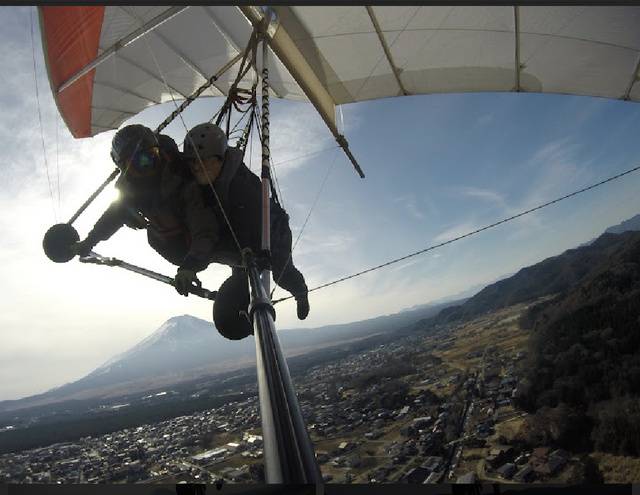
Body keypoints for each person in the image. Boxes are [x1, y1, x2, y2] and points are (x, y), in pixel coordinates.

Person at [183, 122, 310, 320]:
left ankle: (300, 292)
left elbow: (247, 223)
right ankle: (247, 315)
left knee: (280, 271)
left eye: (204, 160)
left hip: (271, 229)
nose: (197, 167)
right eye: (192, 162)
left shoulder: (241, 186)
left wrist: (248, 259)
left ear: (221, 159)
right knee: (243, 276)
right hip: (237, 231)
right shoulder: (204, 184)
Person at [73, 124, 218, 294]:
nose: (147, 166)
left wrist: (190, 266)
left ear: (160, 153)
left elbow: (204, 225)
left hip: (210, 238)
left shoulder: (181, 177)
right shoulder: (130, 191)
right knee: (145, 227)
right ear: (124, 168)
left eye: (151, 156)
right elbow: (113, 216)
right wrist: (89, 241)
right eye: (137, 162)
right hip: (177, 246)